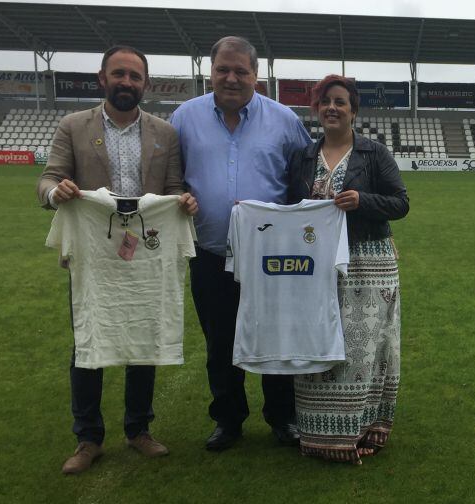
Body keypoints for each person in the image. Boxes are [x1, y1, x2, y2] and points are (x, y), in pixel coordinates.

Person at [36, 45, 198, 475]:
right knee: (88, 339)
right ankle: (88, 438)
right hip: (95, 252)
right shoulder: (74, 126)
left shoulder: (166, 132)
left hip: (146, 252)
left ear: (145, 84)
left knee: (144, 338)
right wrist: (58, 194)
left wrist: (184, 201)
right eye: (119, 74)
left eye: (135, 76)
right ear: (102, 79)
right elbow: (49, 177)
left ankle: (138, 429)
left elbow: (175, 186)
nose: (127, 82)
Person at [170, 36, 311, 451]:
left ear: (256, 75)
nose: (231, 78)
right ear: (210, 71)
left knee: (276, 339)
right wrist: (180, 195)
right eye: (223, 70)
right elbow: (170, 176)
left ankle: (282, 418)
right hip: (210, 253)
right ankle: (228, 420)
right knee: (219, 342)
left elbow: (304, 180)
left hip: (272, 256)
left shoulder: (285, 120)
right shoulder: (184, 118)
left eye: (241, 71)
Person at [286, 74, 409, 464]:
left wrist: (364, 201)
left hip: (368, 264)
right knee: (318, 342)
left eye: (340, 102)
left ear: (354, 111)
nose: (332, 108)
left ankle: (365, 428)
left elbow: (400, 203)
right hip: (318, 263)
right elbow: (290, 210)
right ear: (317, 109)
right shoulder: (303, 156)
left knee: (362, 349)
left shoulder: (374, 154)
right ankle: (318, 433)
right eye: (325, 102)